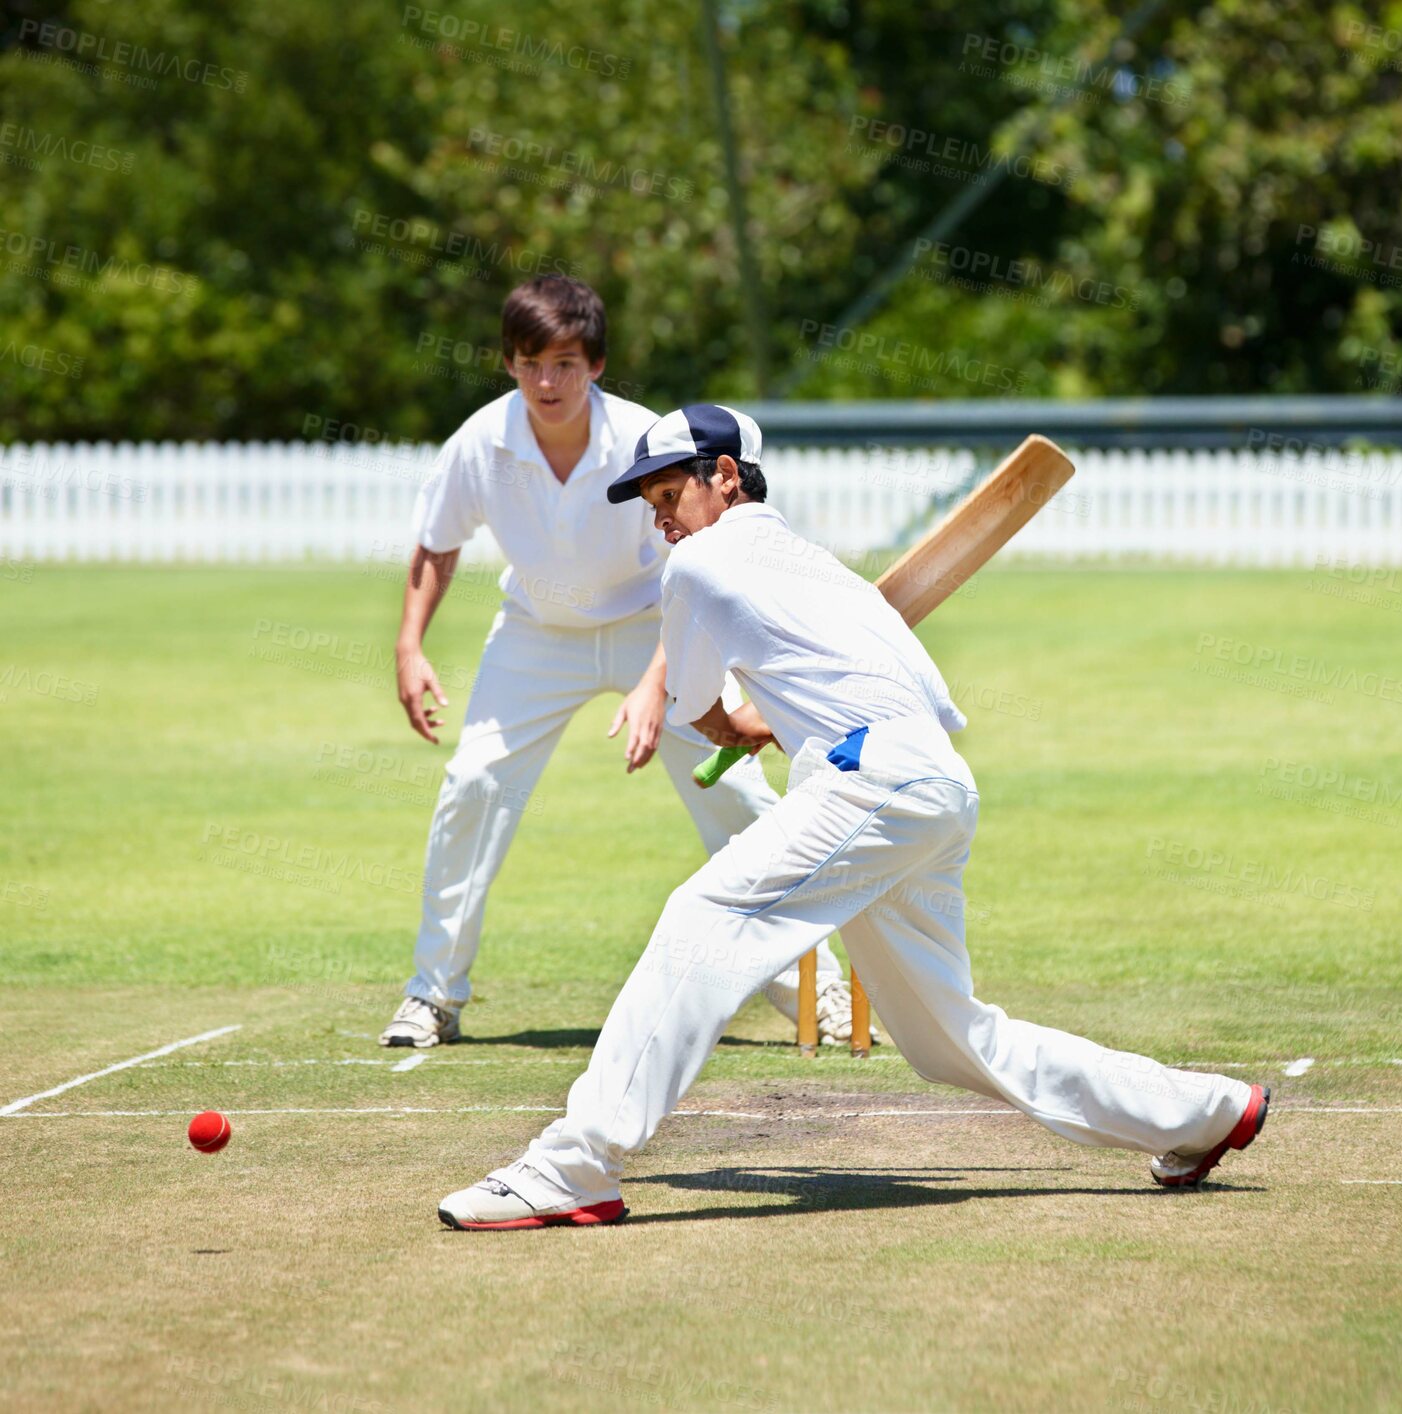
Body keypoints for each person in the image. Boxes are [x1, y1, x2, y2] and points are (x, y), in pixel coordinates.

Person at [436, 403, 1269, 1229]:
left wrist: (740, 725)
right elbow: (919, 697)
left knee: (704, 913)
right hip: (932, 785)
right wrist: (777, 725)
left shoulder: (698, 565)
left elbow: (694, 708)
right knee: (952, 1040)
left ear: (723, 478)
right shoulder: (819, 568)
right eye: (651, 510)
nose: (661, 526)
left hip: (867, 782)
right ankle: (1205, 1111)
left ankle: (574, 1165)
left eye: (666, 500)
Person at [380, 283, 850, 1049]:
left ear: (595, 364)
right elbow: (437, 542)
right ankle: (433, 995)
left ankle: (817, 991)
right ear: (508, 364)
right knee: (473, 784)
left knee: (735, 796)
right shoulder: (479, 441)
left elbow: (696, 558)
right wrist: (408, 645)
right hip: (536, 633)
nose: (547, 382)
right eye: (531, 363)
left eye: (565, 363)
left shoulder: (641, 438)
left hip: (657, 622)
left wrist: (656, 683)